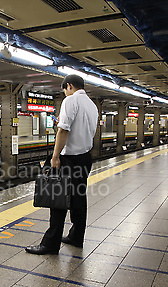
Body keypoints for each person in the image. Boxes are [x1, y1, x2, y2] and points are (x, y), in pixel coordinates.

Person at [25, 74, 98, 255]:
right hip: (85, 158)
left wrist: (55, 156)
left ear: (69, 86)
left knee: (57, 199)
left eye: (64, 89)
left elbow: (63, 130)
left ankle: (50, 244)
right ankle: (76, 237)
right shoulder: (92, 105)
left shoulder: (70, 101)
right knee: (79, 199)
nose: (65, 93)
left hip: (69, 159)